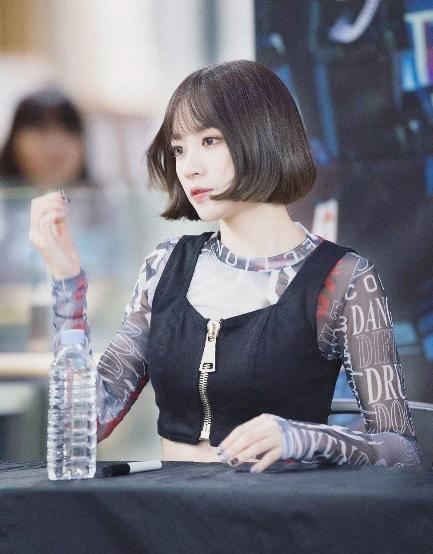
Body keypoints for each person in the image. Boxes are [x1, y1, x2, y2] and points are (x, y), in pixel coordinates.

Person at [29, 60, 421, 472]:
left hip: (278, 510)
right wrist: (67, 284)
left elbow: (402, 450)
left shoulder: (344, 280)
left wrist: (307, 439)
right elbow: (81, 426)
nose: (189, 167)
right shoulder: (166, 266)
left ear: (264, 136)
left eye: (210, 140)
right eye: (179, 149)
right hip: (165, 508)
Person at [0, 87, 88, 191]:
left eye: (68, 131)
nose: (55, 148)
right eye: (41, 130)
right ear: (15, 141)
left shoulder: (100, 197)